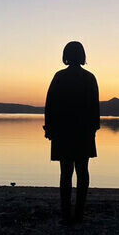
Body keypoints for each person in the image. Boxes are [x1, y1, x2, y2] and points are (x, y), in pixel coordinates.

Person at [44, 41, 100, 225]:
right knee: (82, 171)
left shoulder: (59, 77)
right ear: (82, 55)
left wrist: (50, 128)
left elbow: (50, 106)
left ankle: (66, 215)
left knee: (65, 173)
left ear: (66, 55)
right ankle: (79, 215)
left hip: (64, 132)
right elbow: (95, 108)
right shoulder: (89, 78)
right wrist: (93, 129)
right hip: (83, 132)